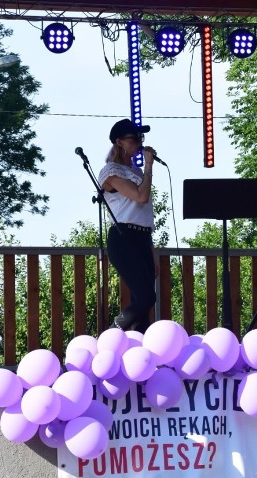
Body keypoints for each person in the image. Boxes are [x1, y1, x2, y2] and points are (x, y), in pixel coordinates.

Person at [97, 118, 160, 332]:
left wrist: (152, 251)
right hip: (124, 237)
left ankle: (140, 350)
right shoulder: (110, 171)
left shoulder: (137, 172)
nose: (139, 142)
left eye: (141, 137)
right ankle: (111, 333)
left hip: (142, 237)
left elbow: (143, 213)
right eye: (134, 138)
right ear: (119, 142)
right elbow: (140, 197)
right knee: (145, 296)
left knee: (144, 302)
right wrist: (149, 165)